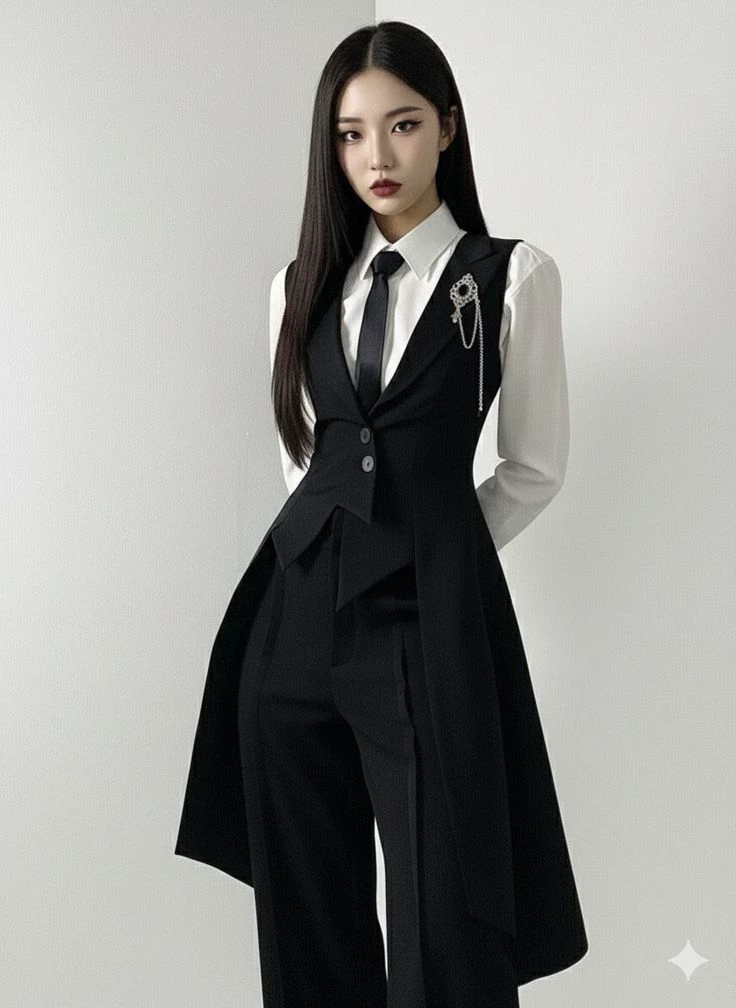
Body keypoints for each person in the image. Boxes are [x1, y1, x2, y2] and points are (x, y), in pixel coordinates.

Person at [175, 19, 589, 1008]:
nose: (377, 157)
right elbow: (304, 457)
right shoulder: (297, 286)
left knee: (446, 918)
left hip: (422, 625)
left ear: (447, 126)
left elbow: (533, 467)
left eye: (401, 125)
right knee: (305, 918)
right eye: (350, 134)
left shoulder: (510, 277)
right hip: (290, 626)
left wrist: (436, 551)